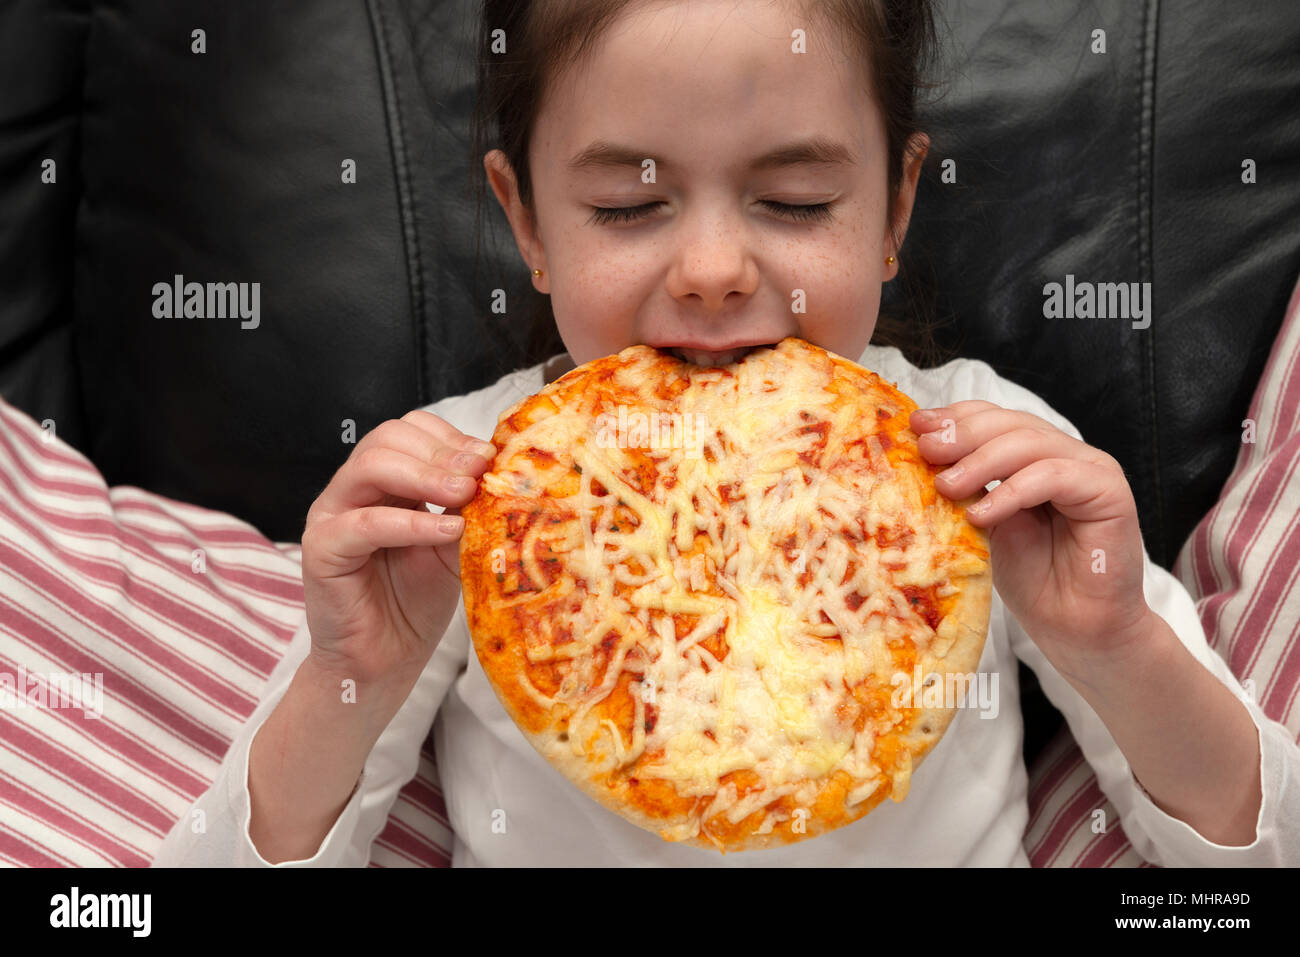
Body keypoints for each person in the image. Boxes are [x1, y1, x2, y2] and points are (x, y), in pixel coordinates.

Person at [153, 0, 1299, 867]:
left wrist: (1116, 649)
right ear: (526, 219)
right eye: (627, 207)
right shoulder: (455, 495)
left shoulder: (990, 460)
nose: (710, 272)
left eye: (795, 204)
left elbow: (1252, 852)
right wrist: (353, 671)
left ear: (894, 208)